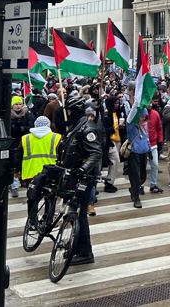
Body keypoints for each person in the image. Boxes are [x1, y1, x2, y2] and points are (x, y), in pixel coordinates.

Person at [55, 95, 103, 265]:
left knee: (79, 214)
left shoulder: (87, 128)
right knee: (73, 212)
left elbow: (96, 152)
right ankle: (75, 247)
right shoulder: (76, 126)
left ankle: (84, 251)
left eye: (69, 110)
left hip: (83, 178)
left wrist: (83, 170)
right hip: (72, 175)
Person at [20, 116, 61, 184]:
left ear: (35, 124)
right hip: (50, 172)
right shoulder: (57, 137)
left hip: (30, 173)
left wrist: (17, 171)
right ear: (49, 125)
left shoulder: (25, 138)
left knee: (32, 193)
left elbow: (19, 156)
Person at [126, 110, 151, 209]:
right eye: (141, 116)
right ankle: (136, 198)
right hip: (134, 153)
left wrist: (149, 150)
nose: (143, 119)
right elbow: (132, 114)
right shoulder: (131, 126)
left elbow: (147, 138)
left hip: (144, 152)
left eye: (145, 117)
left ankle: (133, 189)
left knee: (143, 176)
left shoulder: (144, 126)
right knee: (135, 176)